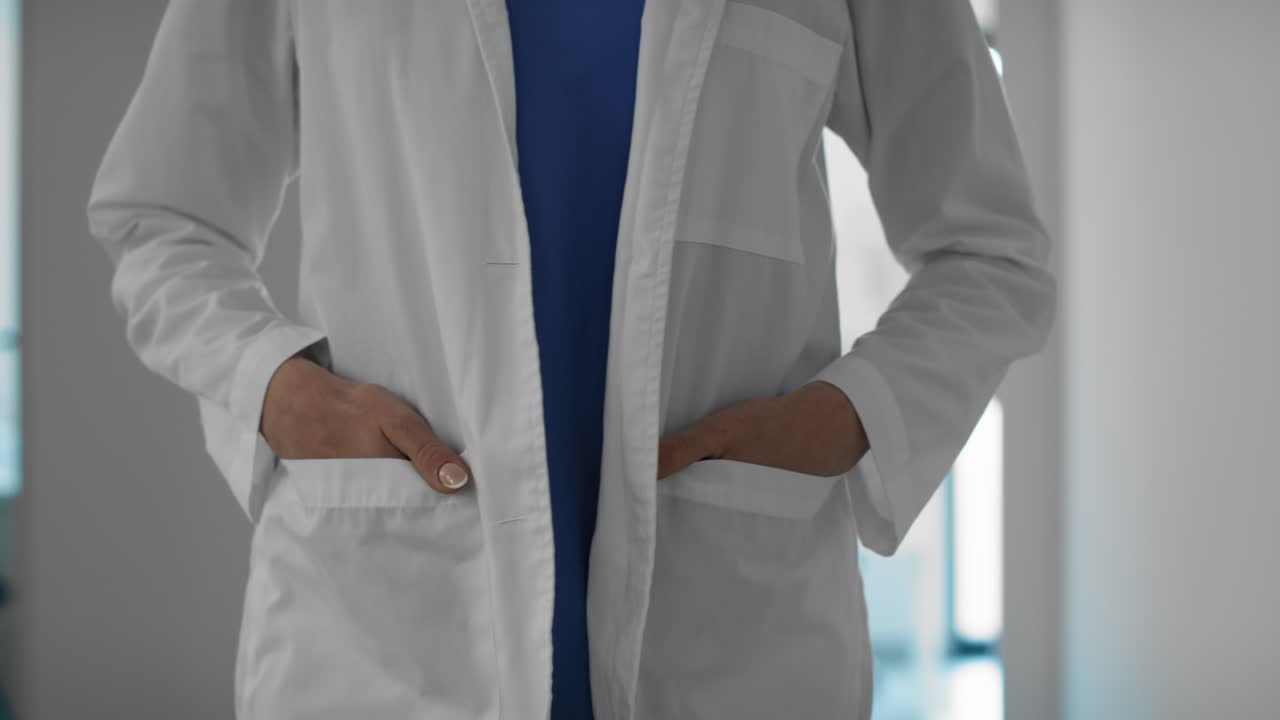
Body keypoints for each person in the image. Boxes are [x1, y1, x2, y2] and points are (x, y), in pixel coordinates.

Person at [85, 0, 1057, 718]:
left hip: (735, 639)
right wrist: (274, 386)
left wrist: (850, 414)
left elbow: (989, 254)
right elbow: (161, 216)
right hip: (381, 640)